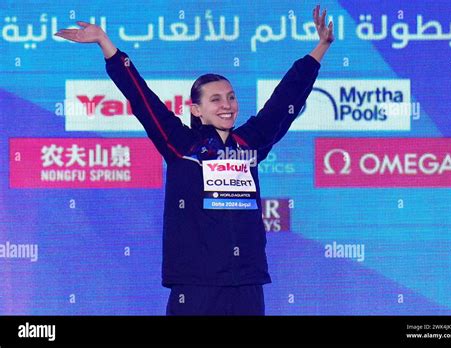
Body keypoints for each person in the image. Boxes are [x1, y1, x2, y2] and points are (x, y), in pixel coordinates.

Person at [55, 4, 334, 316]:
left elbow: (286, 99)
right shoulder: (181, 144)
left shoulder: (249, 143)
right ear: (197, 109)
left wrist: (320, 49)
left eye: (231, 97)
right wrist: (107, 46)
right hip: (195, 287)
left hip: (247, 285)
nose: (227, 105)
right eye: (215, 99)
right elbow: (142, 99)